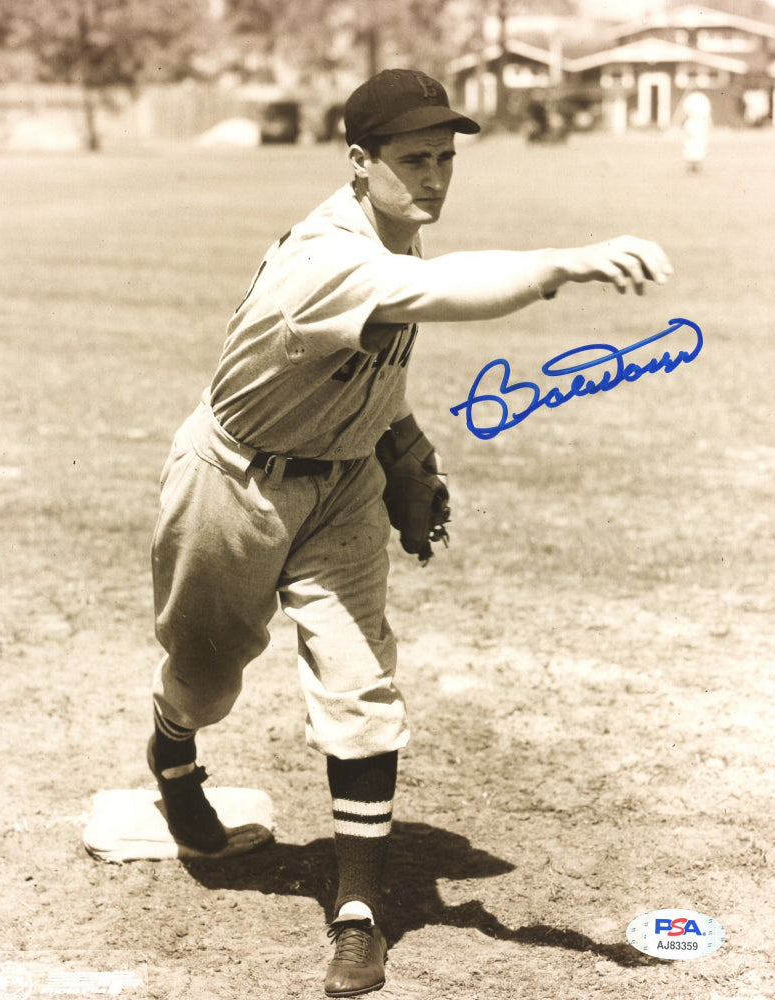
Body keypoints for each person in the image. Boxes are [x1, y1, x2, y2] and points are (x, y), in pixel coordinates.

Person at [147, 67, 672, 997]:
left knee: (362, 684)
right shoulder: (326, 255)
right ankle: (174, 752)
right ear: (359, 162)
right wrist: (560, 262)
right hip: (235, 478)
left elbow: (376, 370)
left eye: (445, 158)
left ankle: (358, 912)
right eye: (412, 159)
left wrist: (406, 454)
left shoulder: (396, 237)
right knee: (205, 675)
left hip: (340, 487)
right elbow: (449, 294)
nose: (433, 177)